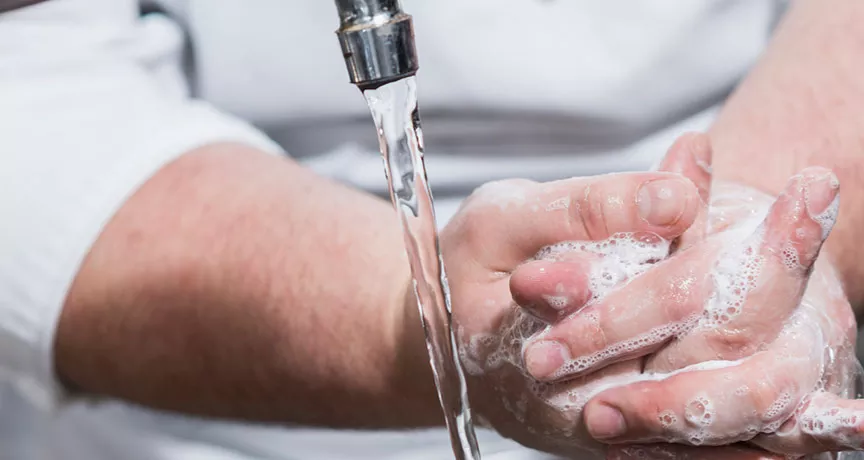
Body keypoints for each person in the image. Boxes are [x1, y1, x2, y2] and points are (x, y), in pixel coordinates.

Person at [1, 0, 863, 459]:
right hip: (228, 403)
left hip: (759, 150)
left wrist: (751, 254)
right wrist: (420, 319)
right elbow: (30, 95)